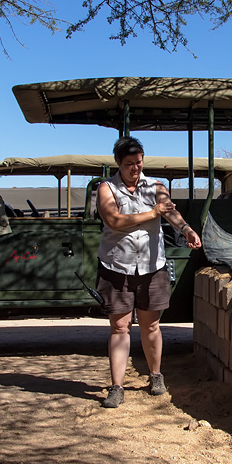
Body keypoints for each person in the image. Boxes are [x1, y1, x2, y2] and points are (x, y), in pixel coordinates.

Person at [95, 136, 203, 408]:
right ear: (118, 163)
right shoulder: (106, 189)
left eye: (140, 163)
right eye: (130, 164)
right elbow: (115, 221)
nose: (136, 168)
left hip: (151, 267)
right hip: (116, 266)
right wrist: (153, 212)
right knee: (120, 327)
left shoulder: (156, 186)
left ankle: (155, 376)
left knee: (151, 325)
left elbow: (170, 212)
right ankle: (117, 387)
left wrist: (186, 229)